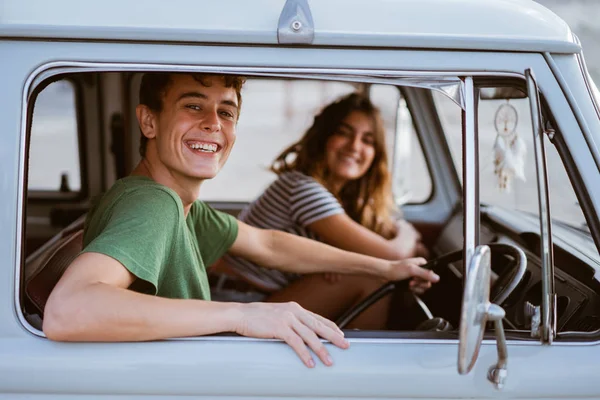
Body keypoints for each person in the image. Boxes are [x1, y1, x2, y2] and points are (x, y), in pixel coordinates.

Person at [43, 73, 439, 369]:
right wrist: (242, 314)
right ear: (149, 122)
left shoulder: (181, 205)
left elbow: (269, 245)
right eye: (193, 106)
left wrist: (385, 267)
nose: (213, 123)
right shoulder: (153, 203)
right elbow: (69, 310)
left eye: (226, 111)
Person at [219, 92, 430, 329]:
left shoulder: (339, 198)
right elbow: (394, 256)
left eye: (368, 140)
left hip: (265, 295)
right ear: (323, 137)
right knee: (371, 280)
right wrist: (407, 231)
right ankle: (361, 363)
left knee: (367, 273)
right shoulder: (301, 188)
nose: (355, 146)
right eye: (344, 133)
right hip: (240, 299)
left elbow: (410, 249)